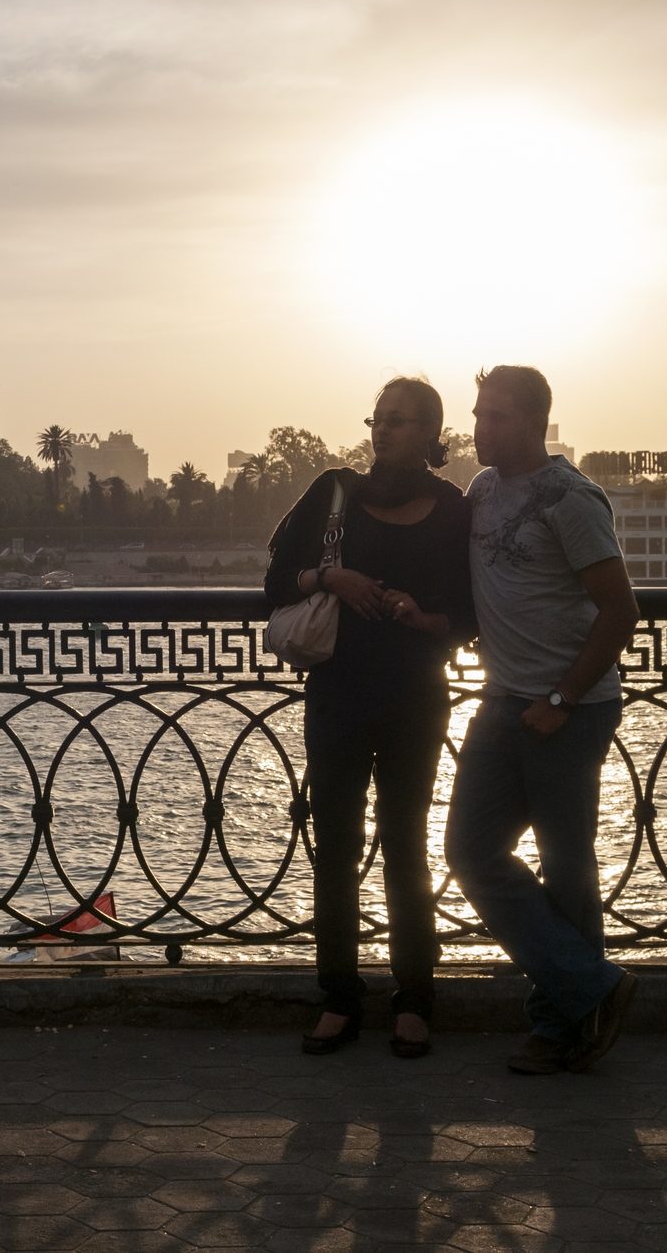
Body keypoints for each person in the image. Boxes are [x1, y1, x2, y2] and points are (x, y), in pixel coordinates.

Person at [265, 377, 474, 1059]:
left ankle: (413, 996)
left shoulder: (451, 509)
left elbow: (468, 613)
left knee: (406, 843)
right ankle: (339, 996)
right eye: (377, 418)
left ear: (430, 434)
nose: (381, 430)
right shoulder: (336, 491)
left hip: (415, 695)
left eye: (398, 420)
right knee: (336, 846)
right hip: (338, 694)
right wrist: (332, 579)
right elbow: (273, 581)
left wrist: (422, 615)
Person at [445, 365, 641, 1076]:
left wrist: (559, 701)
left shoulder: (573, 498)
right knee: (470, 849)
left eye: (494, 416)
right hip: (503, 702)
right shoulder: (482, 490)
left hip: (569, 709)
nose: (478, 428)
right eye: (476, 413)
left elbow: (620, 611)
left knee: (565, 867)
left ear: (534, 421)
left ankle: (564, 1029)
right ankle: (592, 988)